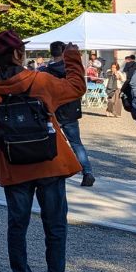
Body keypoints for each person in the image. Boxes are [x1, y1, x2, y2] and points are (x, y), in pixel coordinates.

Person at [0, 30, 85, 272]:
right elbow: (76, 88)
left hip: (14, 166)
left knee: (17, 225)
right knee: (55, 226)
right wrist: (71, 58)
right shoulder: (40, 81)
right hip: (49, 163)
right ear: (18, 54)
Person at [40, 41, 95, 187]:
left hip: (53, 111)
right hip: (70, 110)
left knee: (52, 143)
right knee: (76, 143)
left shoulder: (45, 72)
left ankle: (57, 171)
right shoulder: (71, 70)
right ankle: (87, 172)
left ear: (51, 53)